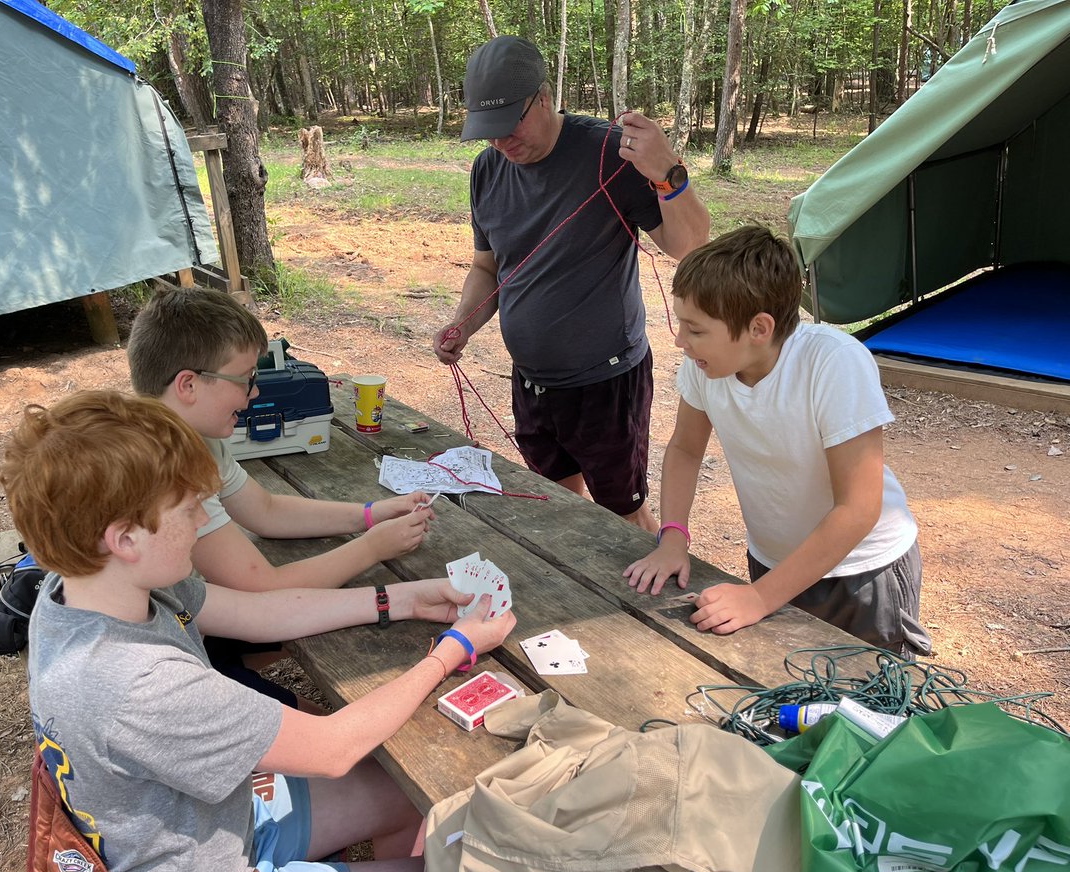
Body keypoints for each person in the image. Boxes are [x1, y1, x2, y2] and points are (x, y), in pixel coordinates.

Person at [1, 390, 515, 872]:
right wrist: (452, 649)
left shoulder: (86, 585)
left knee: (404, 791)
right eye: (187, 510)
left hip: (218, 822)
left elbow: (260, 612)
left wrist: (404, 599)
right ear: (126, 538)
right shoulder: (138, 683)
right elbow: (333, 748)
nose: (204, 522)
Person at [434, 35, 710, 533]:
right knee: (558, 504)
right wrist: (463, 325)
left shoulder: (609, 152)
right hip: (532, 381)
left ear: (542, 97)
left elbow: (688, 244)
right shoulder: (487, 171)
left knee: (623, 516)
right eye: (487, 132)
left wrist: (669, 174)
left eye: (508, 126)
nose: (500, 142)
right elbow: (487, 269)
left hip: (606, 382)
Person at [624, 226, 931, 657]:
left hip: (862, 572)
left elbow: (859, 508)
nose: (679, 341)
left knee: (871, 709)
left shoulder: (833, 363)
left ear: (758, 328)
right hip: (772, 562)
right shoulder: (705, 366)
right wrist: (673, 536)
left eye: (694, 329)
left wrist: (761, 597)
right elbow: (685, 449)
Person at [128, 286, 435, 699]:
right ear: (188, 385)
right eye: (245, 379)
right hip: (164, 656)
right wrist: (371, 549)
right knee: (323, 734)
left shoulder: (195, 436)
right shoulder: (165, 465)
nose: (254, 392)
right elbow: (262, 591)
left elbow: (266, 511)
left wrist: (369, 514)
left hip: (190, 615)